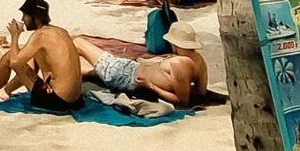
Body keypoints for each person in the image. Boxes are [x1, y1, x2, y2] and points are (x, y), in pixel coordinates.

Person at [0, 0, 82, 112]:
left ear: (35, 17)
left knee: (9, 57)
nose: (23, 19)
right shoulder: (61, 31)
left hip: (57, 101)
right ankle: (5, 90)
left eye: (25, 15)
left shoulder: (40, 35)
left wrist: (15, 35)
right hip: (76, 101)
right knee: (33, 54)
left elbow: (15, 62)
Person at [74, 21, 209, 105]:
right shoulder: (199, 60)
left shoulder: (179, 63)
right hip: (130, 71)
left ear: (174, 43)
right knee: (88, 72)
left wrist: (152, 86)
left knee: (79, 43)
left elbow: (182, 101)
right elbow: (200, 93)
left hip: (125, 75)